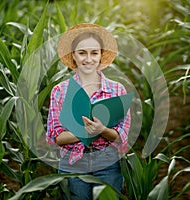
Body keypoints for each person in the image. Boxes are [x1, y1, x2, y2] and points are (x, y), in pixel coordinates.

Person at [46, 23, 131, 200]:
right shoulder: (60, 91)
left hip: (108, 162)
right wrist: (87, 132)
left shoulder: (117, 90)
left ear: (101, 56)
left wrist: (102, 131)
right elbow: (56, 137)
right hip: (72, 163)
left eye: (94, 53)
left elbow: (122, 136)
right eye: (82, 53)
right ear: (74, 56)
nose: (88, 59)